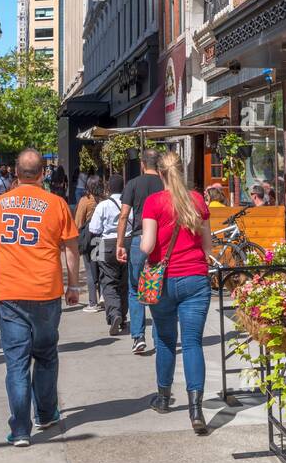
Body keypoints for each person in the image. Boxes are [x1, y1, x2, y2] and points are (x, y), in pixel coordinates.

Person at [0, 147, 80, 445]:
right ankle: (45, 414)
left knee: (16, 362)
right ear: (43, 174)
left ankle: (20, 429)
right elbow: (71, 247)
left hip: (10, 292)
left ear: (16, 174)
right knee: (45, 355)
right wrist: (73, 285)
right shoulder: (57, 204)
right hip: (46, 291)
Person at [140, 152, 213, 435]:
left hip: (165, 280)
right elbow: (207, 247)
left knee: (166, 340)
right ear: (182, 171)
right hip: (195, 278)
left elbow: (147, 245)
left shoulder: (154, 203)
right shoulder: (197, 200)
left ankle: (163, 398)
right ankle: (196, 410)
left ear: (159, 174)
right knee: (193, 343)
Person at [116, 151, 164, 355]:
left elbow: (124, 214)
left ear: (143, 164)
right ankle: (159, 337)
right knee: (159, 287)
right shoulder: (164, 184)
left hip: (138, 238)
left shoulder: (133, 184)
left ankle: (138, 337)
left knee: (135, 289)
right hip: (161, 239)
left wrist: (120, 243)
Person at [90, 174, 127, 336]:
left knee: (108, 281)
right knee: (124, 283)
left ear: (109, 188)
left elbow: (94, 229)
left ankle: (114, 314)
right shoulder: (128, 204)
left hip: (107, 245)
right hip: (126, 243)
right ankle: (123, 315)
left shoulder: (103, 205)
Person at [74, 176, 103, 312]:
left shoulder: (85, 200)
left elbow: (78, 222)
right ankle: (103, 297)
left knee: (90, 271)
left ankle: (93, 303)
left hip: (88, 238)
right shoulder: (104, 200)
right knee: (101, 269)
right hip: (101, 237)